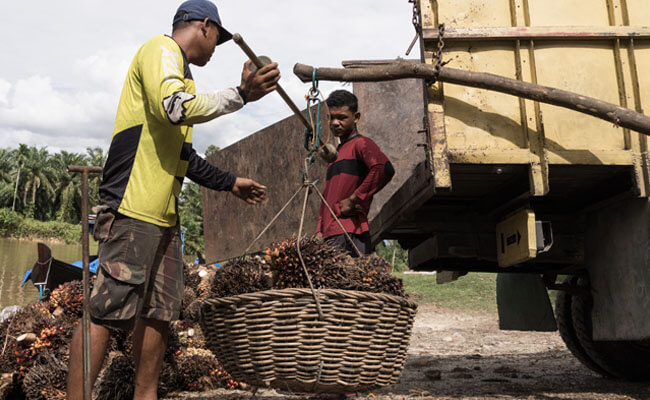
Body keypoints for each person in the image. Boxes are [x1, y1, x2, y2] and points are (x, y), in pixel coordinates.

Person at [66, 1, 280, 399]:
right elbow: (173, 109)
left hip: (164, 219)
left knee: (159, 314)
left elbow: (183, 157)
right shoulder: (161, 51)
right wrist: (241, 95)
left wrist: (230, 182)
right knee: (105, 311)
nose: (216, 48)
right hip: (132, 208)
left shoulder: (186, 80)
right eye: (218, 37)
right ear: (204, 26)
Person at [316, 90, 394, 256]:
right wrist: (319, 230)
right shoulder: (337, 154)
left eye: (342, 117)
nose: (335, 123)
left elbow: (384, 168)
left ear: (356, 117)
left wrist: (354, 199)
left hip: (350, 232)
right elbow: (327, 195)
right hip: (331, 233)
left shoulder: (361, 144)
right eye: (331, 118)